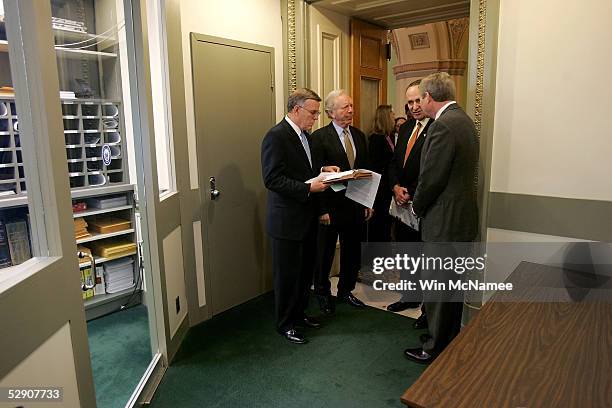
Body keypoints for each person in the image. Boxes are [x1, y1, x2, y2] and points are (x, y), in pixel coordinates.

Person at [403, 72, 479, 363]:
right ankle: (446, 340)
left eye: (420, 97)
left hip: (444, 221)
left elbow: (431, 179)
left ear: (429, 98)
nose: (419, 103)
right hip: (461, 219)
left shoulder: (442, 126)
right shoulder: (464, 120)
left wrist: (416, 207)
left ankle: (434, 348)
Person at [261, 88, 339, 345]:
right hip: (286, 222)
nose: (316, 118)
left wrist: (322, 170)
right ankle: (285, 324)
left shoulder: (308, 137)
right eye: (313, 113)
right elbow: (272, 179)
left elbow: (302, 169)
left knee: (305, 273)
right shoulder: (276, 136)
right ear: (296, 109)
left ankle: (300, 314)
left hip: (307, 218)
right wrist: (308, 187)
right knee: (287, 277)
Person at [311, 89, 372, 314]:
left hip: (355, 206)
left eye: (351, 106)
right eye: (345, 107)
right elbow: (314, 174)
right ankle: (322, 293)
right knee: (325, 253)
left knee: (352, 252)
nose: (351, 110)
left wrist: (367, 202)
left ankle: (346, 290)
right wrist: (321, 210)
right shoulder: (318, 138)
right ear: (330, 112)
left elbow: (366, 172)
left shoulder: (359, 135)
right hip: (330, 208)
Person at [386, 79, 433, 317]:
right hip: (401, 203)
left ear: (427, 98)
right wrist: (395, 187)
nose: (414, 107)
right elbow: (394, 163)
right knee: (406, 253)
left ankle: (428, 308)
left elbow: (431, 171)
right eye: (409, 102)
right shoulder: (405, 128)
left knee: (426, 257)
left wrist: (411, 193)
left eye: (417, 100)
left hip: (424, 204)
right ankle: (410, 296)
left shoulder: (437, 127)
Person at [367, 104, 396, 243]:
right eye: (392, 114)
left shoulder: (388, 136)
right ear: (385, 117)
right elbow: (374, 167)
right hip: (379, 190)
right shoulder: (376, 139)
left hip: (387, 188)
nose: (394, 116)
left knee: (386, 224)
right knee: (379, 225)